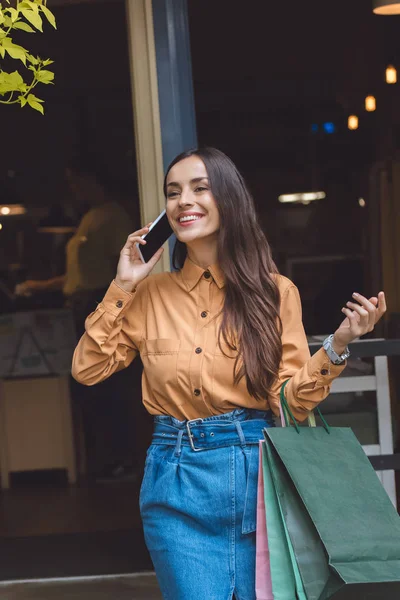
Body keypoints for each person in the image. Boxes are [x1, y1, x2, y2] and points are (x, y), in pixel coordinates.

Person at [71, 147, 386, 600]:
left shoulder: (275, 293)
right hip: (175, 478)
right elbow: (87, 368)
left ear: (229, 200)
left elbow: (289, 402)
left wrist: (336, 347)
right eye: (173, 193)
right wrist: (123, 284)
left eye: (200, 188)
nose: (184, 201)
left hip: (258, 478)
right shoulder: (148, 294)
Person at [18, 157, 139, 481]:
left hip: (100, 303)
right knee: (88, 384)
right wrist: (38, 286)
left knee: (107, 384)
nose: (72, 188)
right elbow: (78, 273)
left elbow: (123, 269)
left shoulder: (112, 216)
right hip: (79, 304)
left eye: (75, 180)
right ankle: (104, 460)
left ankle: (122, 461)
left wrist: (116, 306)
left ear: (92, 179)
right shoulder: (88, 217)